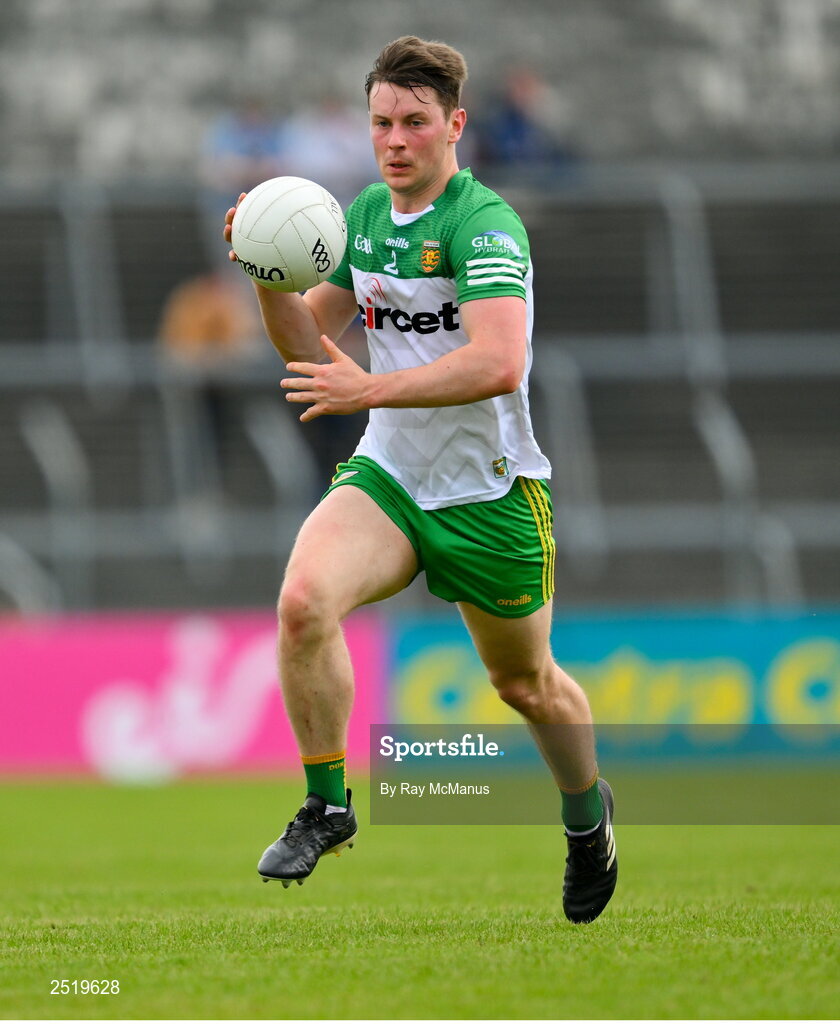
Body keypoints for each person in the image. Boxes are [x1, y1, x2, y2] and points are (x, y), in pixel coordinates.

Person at [223, 36, 617, 924]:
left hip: (488, 488)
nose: (394, 141)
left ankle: (587, 819)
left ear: (454, 126)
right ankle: (328, 804)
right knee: (302, 603)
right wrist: (265, 271)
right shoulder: (362, 219)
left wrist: (369, 384)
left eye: (413, 123)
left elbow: (498, 361)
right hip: (393, 473)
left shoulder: (483, 226)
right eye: (380, 124)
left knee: (527, 685)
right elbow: (305, 349)